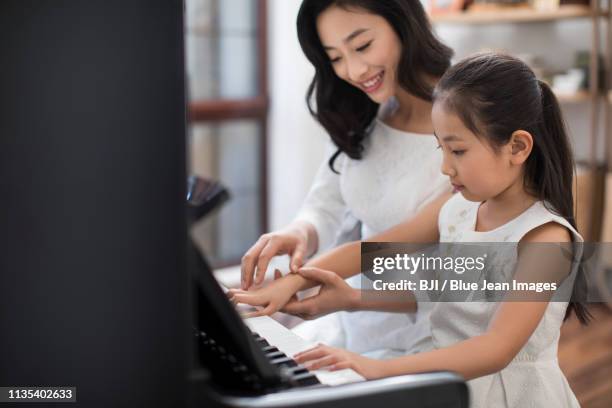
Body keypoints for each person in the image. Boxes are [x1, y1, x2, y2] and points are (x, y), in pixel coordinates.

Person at [232, 53, 591, 407]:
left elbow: (495, 349)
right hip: (441, 372)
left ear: (517, 146)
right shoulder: (460, 208)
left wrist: (380, 369)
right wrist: (344, 296)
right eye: (441, 149)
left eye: (458, 151)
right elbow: (388, 254)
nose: (445, 168)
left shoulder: (546, 239)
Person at [239, 0, 453, 359]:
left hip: (430, 327)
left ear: (404, 23)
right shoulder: (363, 112)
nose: (353, 70)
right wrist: (299, 233)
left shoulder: (466, 123)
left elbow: (395, 244)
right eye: (335, 58)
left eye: (362, 46)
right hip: (356, 319)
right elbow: (326, 202)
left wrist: (300, 278)